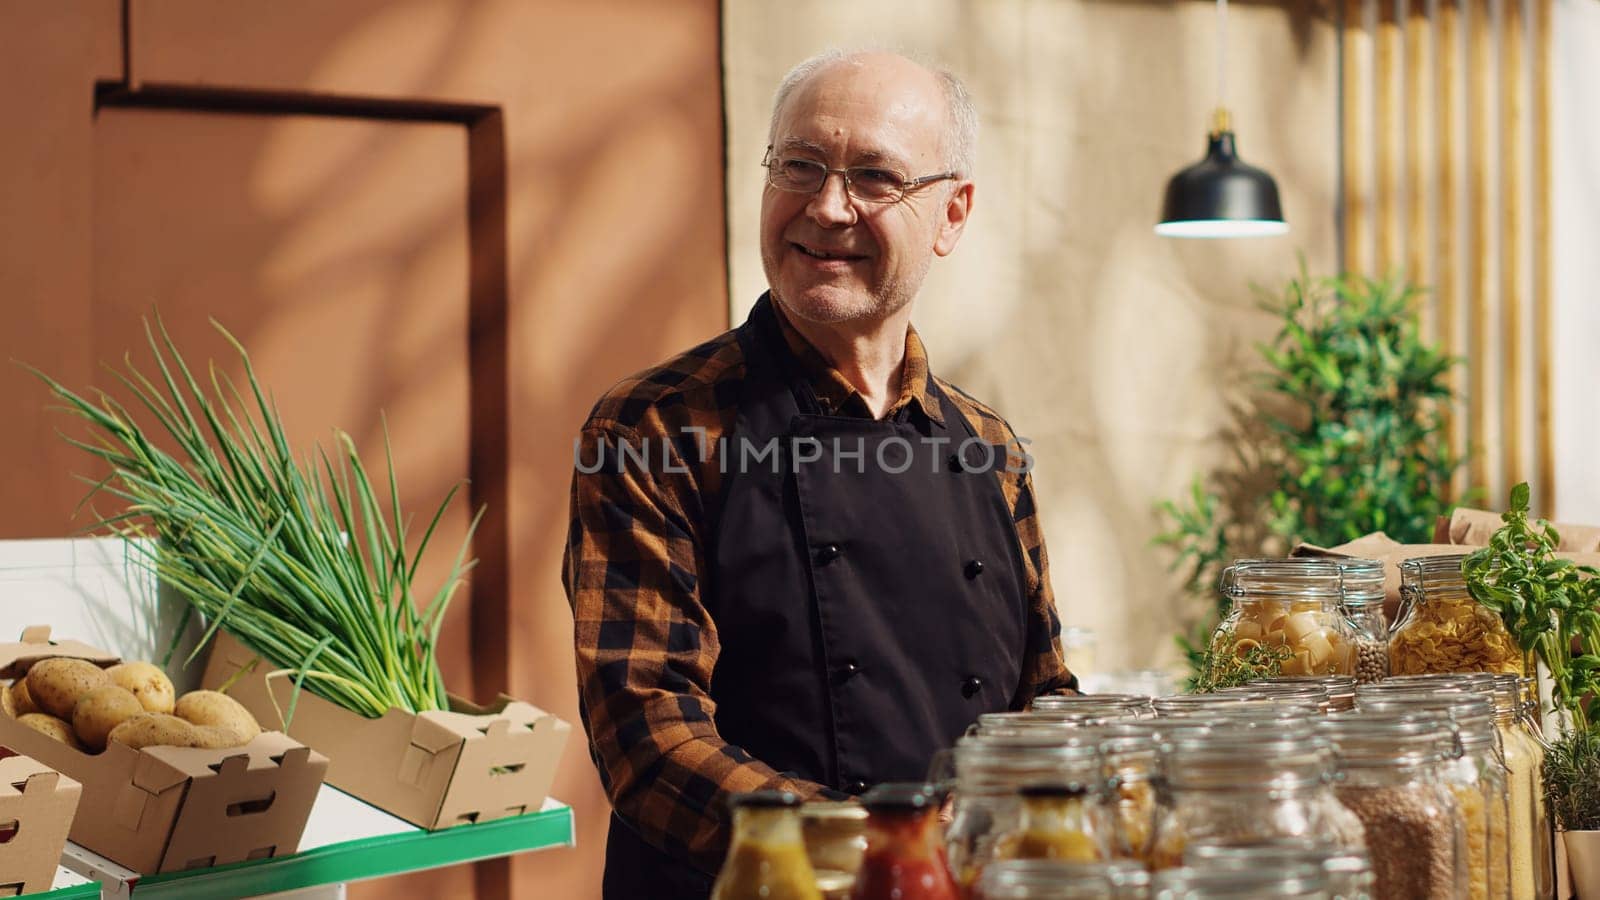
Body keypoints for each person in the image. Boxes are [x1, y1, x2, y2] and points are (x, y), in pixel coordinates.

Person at [564, 48, 1077, 900]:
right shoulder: (655, 427)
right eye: (799, 165)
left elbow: (1046, 696)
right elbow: (649, 738)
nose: (827, 207)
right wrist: (887, 847)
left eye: (875, 177)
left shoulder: (990, 446)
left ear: (952, 214)